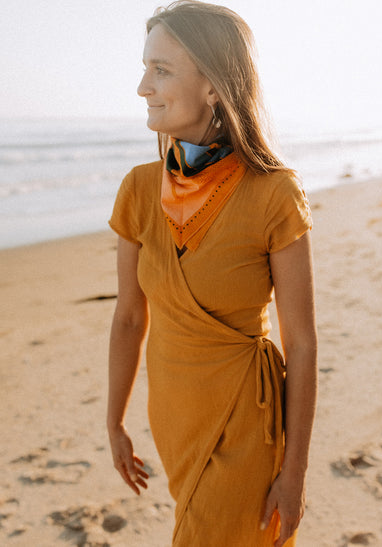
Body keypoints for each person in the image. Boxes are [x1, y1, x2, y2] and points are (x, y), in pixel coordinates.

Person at [107, 1, 318, 546]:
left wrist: (293, 474)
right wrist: (114, 422)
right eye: (144, 67)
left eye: (161, 70)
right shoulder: (137, 189)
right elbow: (130, 318)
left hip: (245, 422)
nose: (141, 87)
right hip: (175, 422)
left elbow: (303, 343)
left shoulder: (274, 193)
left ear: (214, 85)